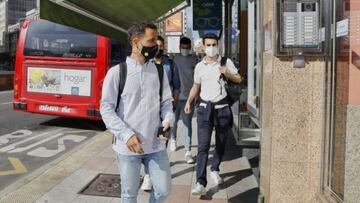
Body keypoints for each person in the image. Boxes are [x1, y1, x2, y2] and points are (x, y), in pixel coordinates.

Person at [100, 21, 174, 203]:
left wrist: (168, 119)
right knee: (129, 194)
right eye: (151, 40)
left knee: (163, 191)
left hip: (156, 145)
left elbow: (166, 102)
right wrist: (126, 135)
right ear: (135, 42)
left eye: (156, 40)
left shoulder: (159, 71)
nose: (156, 45)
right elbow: (106, 108)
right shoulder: (117, 72)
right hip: (127, 147)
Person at [184, 33, 242, 196]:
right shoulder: (199, 66)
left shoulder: (226, 62)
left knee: (221, 144)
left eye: (214, 44)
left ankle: (215, 169)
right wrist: (189, 101)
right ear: (203, 46)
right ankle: (200, 182)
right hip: (204, 109)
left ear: (218, 45)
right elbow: (196, 85)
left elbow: (239, 79)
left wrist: (227, 72)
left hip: (222, 108)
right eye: (208, 45)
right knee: (203, 147)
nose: (211, 48)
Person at [140, 35, 181, 191]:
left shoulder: (170, 64)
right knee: (146, 142)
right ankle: (148, 176)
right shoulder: (145, 63)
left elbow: (177, 85)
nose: (159, 49)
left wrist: (174, 103)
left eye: (161, 46)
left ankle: (155, 173)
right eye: (156, 46)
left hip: (165, 109)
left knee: (161, 142)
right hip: (148, 110)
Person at [169, 37, 197, 165]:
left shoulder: (194, 59)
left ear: (190, 47)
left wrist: (196, 96)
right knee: (173, 121)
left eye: (187, 47)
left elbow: (197, 80)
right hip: (175, 97)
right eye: (183, 47)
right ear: (180, 47)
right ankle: (173, 138)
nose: (185, 50)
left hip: (189, 98)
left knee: (187, 124)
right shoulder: (174, 59)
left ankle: (188, 150)